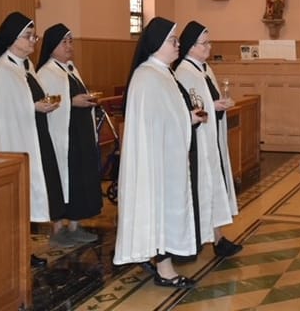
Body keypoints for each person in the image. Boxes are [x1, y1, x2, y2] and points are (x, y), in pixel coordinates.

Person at [113, 17, 205, 289]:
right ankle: (164, 269)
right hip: (156, 162)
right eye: (173, 41)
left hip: (168, 157)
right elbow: (152, 123)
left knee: (167, 210)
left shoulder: (164, 73)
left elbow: (165, 116)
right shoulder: (147, 76)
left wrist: (187, 117)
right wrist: (184, 120)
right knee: (160, 210)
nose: (178, 45)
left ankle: (164, 263)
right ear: (156, 44)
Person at [0, 11, 65, 268]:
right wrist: (34, 108)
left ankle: (24, 250)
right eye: (28, 37)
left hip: (34, 135)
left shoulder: (24, 67)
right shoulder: (2, 70)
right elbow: (6, 111)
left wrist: (40, 106)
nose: (33, 41)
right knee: (16, 200)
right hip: (14, 142)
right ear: (11, 39)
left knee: (27, 198)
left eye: (33, 36)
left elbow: (27, 99)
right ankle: (14, 253)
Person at [174, 21, 242, 259]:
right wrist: (213, 107)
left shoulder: (204, 68)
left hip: (211, 138)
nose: (209, 47)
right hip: (198, 142)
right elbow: (189, 107)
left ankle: (218, 236)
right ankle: (204, 238)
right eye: (205, 43)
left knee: (214, 184)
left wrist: (219, 105)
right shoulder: (184, 72)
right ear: (191, 47)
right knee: (203, 186)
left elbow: (208, 100)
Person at [37, 23, 102, 247]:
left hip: (79, 133)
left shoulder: (70, 69)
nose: (69, 46)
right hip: (62, 134)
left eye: (71, 41)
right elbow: (48, 101)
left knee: (78, 179)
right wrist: (71, 102)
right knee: (62, 178)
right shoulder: (46, 72)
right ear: (52, 46)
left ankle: (74, 225)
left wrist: (86, 100)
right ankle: (57, 229)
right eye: (64, 42)